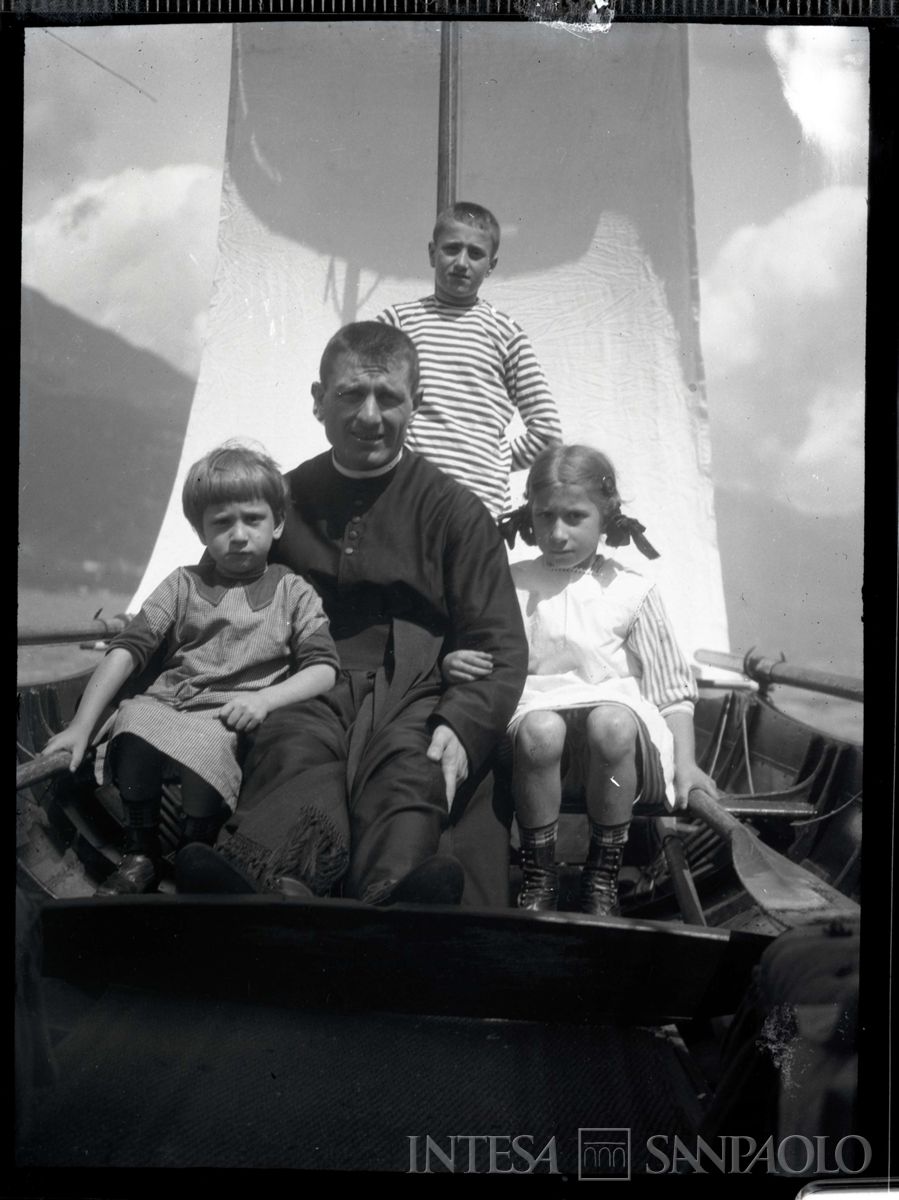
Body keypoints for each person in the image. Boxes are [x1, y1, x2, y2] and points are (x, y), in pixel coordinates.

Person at [177, 321, 529, 908]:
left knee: (413, 764)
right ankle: (276, 884)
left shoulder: (457, 512)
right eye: (350, 395)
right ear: (319, 401)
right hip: (303, 678)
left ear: (415, 403)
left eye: (388, 397)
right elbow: (211, 594)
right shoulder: (277, 502)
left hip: (419, 683)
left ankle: (392, 893)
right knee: (291, 749)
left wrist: (461, 723)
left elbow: (500, 646)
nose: (369, 415)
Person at [42, 442, 340, 896]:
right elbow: (129, 648)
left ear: (277, 524)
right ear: (201, 531)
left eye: (253, 520)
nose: (238, 535)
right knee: (134, 720)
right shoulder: (183, 583)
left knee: (204, 745)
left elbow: (323, 669)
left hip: (228, 715)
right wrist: (83, 725)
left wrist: (263, 699)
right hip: (170, 702)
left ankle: (193, 852)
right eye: (221, 523)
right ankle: (140, 851)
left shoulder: (292, 591)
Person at [445, 443, 717, 916]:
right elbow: (476, 649)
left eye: (574, 517)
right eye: (545, 516)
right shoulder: (509, 581)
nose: (557, 532)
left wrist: (687, 766)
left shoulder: (632, 590)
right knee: (541, 730)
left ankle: (603, 872)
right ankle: (540, 873)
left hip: (615, 751)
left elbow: (672, 691)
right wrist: (453, 660)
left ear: (605, 518)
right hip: (533, 732)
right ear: (529, 514)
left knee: (611, 724)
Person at [376, 200, 562, 520]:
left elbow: (547, 434)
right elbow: (367, 402)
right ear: (432, 253)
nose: (462, 262)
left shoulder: (506, 335)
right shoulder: (396, 322)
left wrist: (496, 457)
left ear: (492, 264)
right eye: (451, 249)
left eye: (475, 253)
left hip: (478, 506)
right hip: (403, 499)